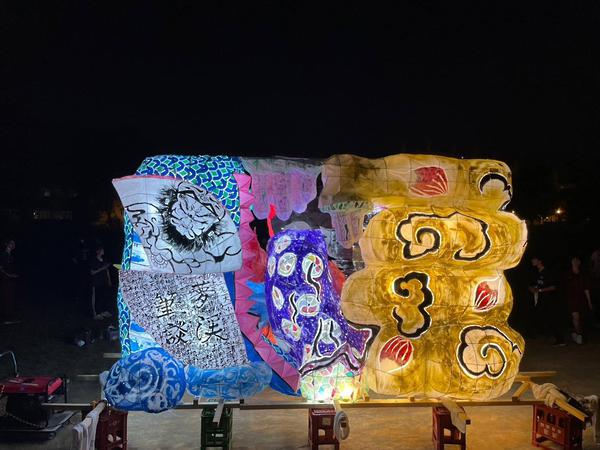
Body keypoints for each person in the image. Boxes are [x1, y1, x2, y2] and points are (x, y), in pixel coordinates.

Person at [529, 255, 566, 346]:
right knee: (541, 317)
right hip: (541, 299)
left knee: (552, 318)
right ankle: (549, 336)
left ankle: (560, 339)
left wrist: (540, 290)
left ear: (540, 261)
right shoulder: (537, 273)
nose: (532, 261)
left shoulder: (547, 272)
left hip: (550, 299)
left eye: (534, 259)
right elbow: (536, 285)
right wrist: (532, 288)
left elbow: (553, 287)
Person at [565, 256, 593, 344]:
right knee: (575, 317)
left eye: (576, 261)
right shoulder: (568, 274)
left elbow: (586, 289)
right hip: (572, 299)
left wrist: (589, 302)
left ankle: (578, 334)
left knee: (581, 318)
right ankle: (578, 334)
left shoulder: (583, 275)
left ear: (579, 263)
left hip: (581, 298)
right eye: (573, 261)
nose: (574, 263)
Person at [89, 245, 113, 320]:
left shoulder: (104, 260)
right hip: (96, 282)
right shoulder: (94, 260)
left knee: (103, 297)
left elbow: (107, 270)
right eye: (102, 250)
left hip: (104, 281)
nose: (103, 251)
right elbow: (92, 272)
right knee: (96, 297)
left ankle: (103, 311)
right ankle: (96, 313)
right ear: (98, 251)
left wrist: (109, 280)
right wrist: (102, 268)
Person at [0, 238, 20, 324]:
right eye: (11, 243)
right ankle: (5, 318)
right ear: (7, 244)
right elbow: (1, 268)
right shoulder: (3, 255)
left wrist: (13, 275)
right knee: (5, 297)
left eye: (14, 243)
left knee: (10, 298)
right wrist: (9, 275)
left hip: (10, 280)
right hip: (5, 279)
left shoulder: (11, 256)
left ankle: (9, 317)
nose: (13, 245)